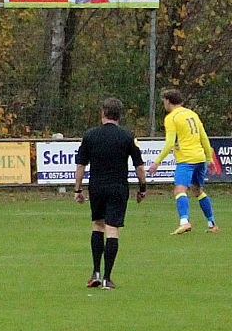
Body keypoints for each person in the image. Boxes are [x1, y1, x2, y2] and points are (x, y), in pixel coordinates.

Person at [72, 98, 147, 290]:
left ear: (103, 113)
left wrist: (78, 189)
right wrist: (142, 188)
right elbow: (139, 166)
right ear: (119, 115)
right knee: (112, 229)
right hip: (118, 188)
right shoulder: (127, 136)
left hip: (97, 187)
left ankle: (95, 272)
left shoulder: (90, 135)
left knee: (98, 225)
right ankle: (107, 278)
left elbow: (81, 165)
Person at [147, 89, 220, 235]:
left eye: (164, 101)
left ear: (168, 101)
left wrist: (157, 162)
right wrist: (209, 158)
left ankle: (184, 222)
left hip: (186, 159)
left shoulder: (171, 118)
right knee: (198, 190)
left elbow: (169, 143)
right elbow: (204, 137)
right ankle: (212, 223)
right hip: (200, 158)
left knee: (179, 190)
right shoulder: (192, 114)